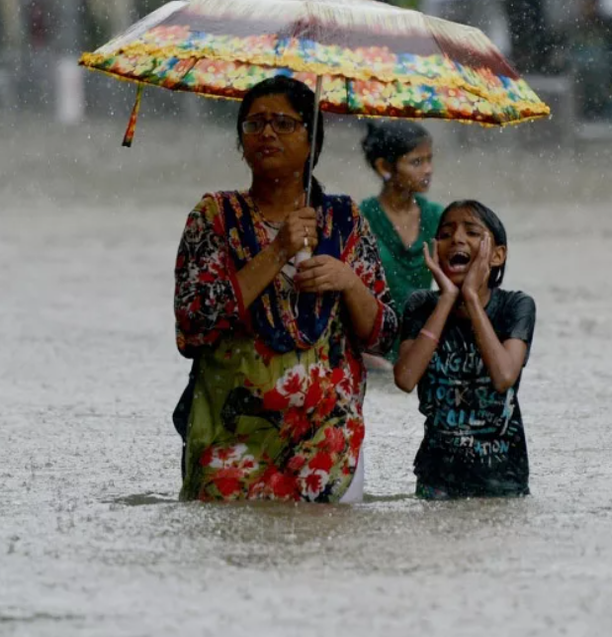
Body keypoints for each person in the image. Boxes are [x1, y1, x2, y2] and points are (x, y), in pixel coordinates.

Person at [173, 76, 397, 502]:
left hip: (328, 437)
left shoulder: (344, 219)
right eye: (253, 124)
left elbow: (384, 335)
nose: (267, 134)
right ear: (241, 142)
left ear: (312, 140)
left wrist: (348, 282)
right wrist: (277, 251)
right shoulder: (214, 217)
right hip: (230, 435)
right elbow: (193, 326)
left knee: (319, 559)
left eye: (283, 123)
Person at [393, 201, 536, 499]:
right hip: (436, 481)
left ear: (497, 255)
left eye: (471, 232)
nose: (456, 238)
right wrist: (447, 299)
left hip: (502, 481)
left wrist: (470, 296)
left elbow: (503, 375)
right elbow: (405, 378)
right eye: (445, 234)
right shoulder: (421, 305)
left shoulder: (516, 306)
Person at [357, 120, 444, 362]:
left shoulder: (438, 218)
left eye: (429, 159)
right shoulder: (360, 220)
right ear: (384, 166)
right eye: (417, 162)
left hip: (420, 347)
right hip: (372, 353)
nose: (428, 170)